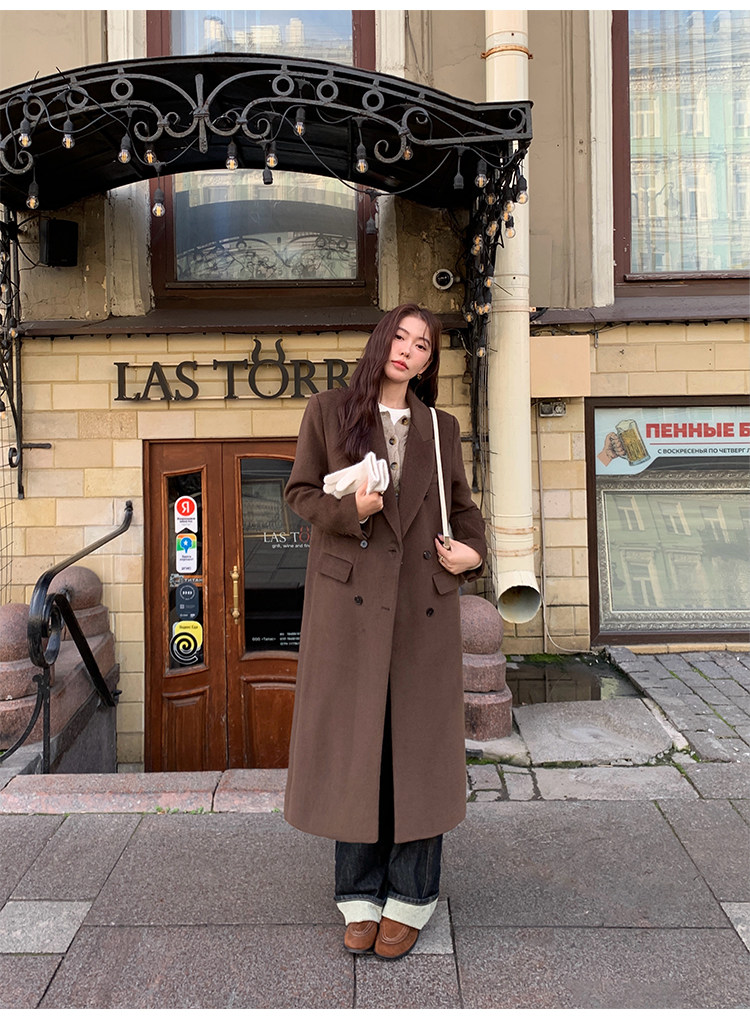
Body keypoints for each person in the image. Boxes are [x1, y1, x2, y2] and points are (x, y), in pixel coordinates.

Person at [283, 302, 487, 960]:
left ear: (429, 361)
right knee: (357, 744)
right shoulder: (329, 411)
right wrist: (353, 509)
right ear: (381, 341)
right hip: (350, 604)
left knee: (417, 750)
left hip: (422, 603)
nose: (408, 349)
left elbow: (463, 510)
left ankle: (411, 897)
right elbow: (299, 494)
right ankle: (358, 896)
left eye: (422, 344)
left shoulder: (439, 427)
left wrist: (474, 554)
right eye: (400, 336)